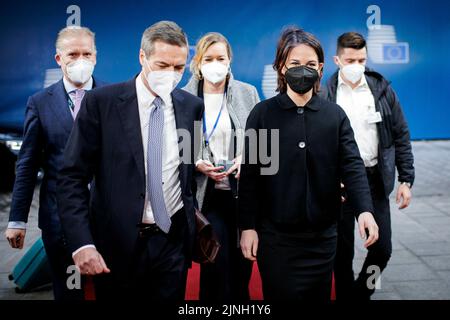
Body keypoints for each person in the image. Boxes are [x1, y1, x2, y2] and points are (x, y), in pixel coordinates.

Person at [56, 21, 203, 300]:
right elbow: (71, 177)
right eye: (162, 65)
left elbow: (186, 175)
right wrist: (81, 243)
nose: (170, 75)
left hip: (172, 245)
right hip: (117, 247)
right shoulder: (102, 103)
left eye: (178, 68)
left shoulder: (191, 106)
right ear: (142, 57)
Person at [238, 26, 379, 301]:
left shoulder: (334, 116)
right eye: (295, 64)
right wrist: (247, 226)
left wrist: (365, 210)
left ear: (321, 68)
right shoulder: (263, 115)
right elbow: (251, 175)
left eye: (310, 64)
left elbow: (352, 166)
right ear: (280, 67)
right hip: (276, 239)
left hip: (323, 238)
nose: (303, 70)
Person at [4, 26, 105, 300]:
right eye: (73, 54)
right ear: (59, 59)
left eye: (87, 53)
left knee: (110, 290)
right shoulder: (39, 103)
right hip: (59, 219)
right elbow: (27, 165)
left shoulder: (114, 99)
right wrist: (17, 220)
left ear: (95, 56)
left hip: (108, 217)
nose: (81, 60)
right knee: (70, 291)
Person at [321, 32, 415, 300]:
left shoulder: (381, 90)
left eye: (361, 59)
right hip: (339, 183)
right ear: (337, 59)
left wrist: (406, 180)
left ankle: (360, 293)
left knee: (382, 249)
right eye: (350, 60)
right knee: (342, 253)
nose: (356, 66)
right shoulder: (325, 94)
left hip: (374, 180)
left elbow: (401, 134)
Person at [183, 32, 260, 302]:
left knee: (242, 268)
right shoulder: (183, 97)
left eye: (221, 58)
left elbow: (263, 144)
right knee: (216, 266)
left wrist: (245, 159)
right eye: (209, 58)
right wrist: (195, 162)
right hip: (207, 198)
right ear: (198, 63)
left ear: (230, 61)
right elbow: (174, 148)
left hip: (240, 194)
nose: (215, 64)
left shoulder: (247, 92)